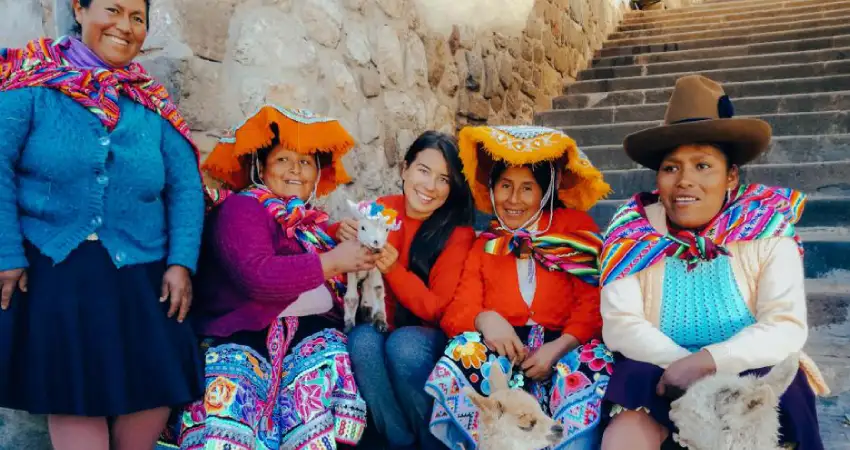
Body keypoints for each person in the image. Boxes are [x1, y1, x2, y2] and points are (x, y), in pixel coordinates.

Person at [0, 0, 206, 448]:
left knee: (154, 384)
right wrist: (8, 254)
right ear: (79, 9)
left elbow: (186, 187)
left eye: (137, 18)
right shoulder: (32, 86)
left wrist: (181, 263)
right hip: (58, 270)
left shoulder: (150, 103)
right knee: (74, 393)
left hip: (144, 273)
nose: (125, 27)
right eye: (112, 10)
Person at [598, 75, 829, 450]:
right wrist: (683, 365)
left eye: (703, 166)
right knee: (624, 438)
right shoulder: (631, 233)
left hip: (748, 365)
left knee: (779, 402)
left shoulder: (766, 228)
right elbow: (622, 324)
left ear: (731, 176)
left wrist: (711, 362)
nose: (685, 181)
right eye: (671, 168)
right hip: (658, 366)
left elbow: (784, 324)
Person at [176, 106, 375, 449]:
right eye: (283, 159)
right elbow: (257, 275)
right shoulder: (243, 209)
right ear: (260, 167)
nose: (295, 169)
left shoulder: (313, 227)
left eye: (306, 162)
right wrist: (332, 261)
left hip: (301, 346)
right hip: (244, 342)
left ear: (316, 175)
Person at [425, 125, 613, 450]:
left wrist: (557, 350)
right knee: (460, 353)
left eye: (527, 188)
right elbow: (457, 310)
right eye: (505, 186)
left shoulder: (575, 232)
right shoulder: (484, 244)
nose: (513, 199)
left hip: (565, 345)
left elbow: (592, 303)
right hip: (504, 349)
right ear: (492, 189)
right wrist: (486, 319)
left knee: (591, 367)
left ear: (545, 192)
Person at [335, 131, 476, 449]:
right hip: (385, 327)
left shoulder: (457, 235)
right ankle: (397, 440)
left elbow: (436, 308)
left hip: (426, 339)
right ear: (404, 170)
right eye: (423, 171)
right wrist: (339, 230)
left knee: (404, 346)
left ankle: (434, 441)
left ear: (452, 188)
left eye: (443, 179)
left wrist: (393, 270)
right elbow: (349, 228)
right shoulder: (383, 210)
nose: (430, 186)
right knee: (361, 341)